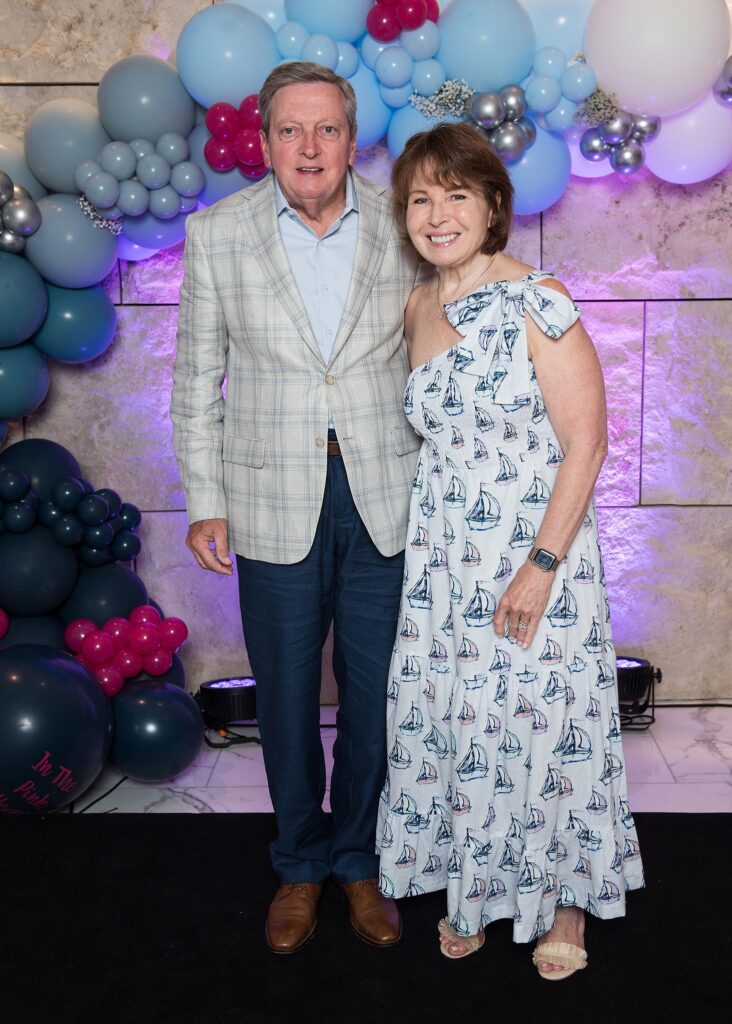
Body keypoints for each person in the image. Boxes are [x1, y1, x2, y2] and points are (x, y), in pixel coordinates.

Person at [377, 122, 644, 979]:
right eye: (421, 199)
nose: (437, 215)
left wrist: (541, 566)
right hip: (444, 560)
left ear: (493, 206)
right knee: (466, 721)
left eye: (457, 195)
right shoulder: (417, 306)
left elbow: (587, 444)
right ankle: (480, 886)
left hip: (534, 549)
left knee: (546, 719)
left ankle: (566, 903)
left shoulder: (539, 299)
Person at [171, 63, 421, 953]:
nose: (309, 148)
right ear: (265, 139)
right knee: (282, 695)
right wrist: (205, 500)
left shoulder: (404, 220)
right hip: (269, 494)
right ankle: (299, 864)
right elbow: (196, 378)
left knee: (376, 695)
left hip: (386, 492)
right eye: (290, 130)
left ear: (352, 141)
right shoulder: (218, 233)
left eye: (326, 130)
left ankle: (358, 858)